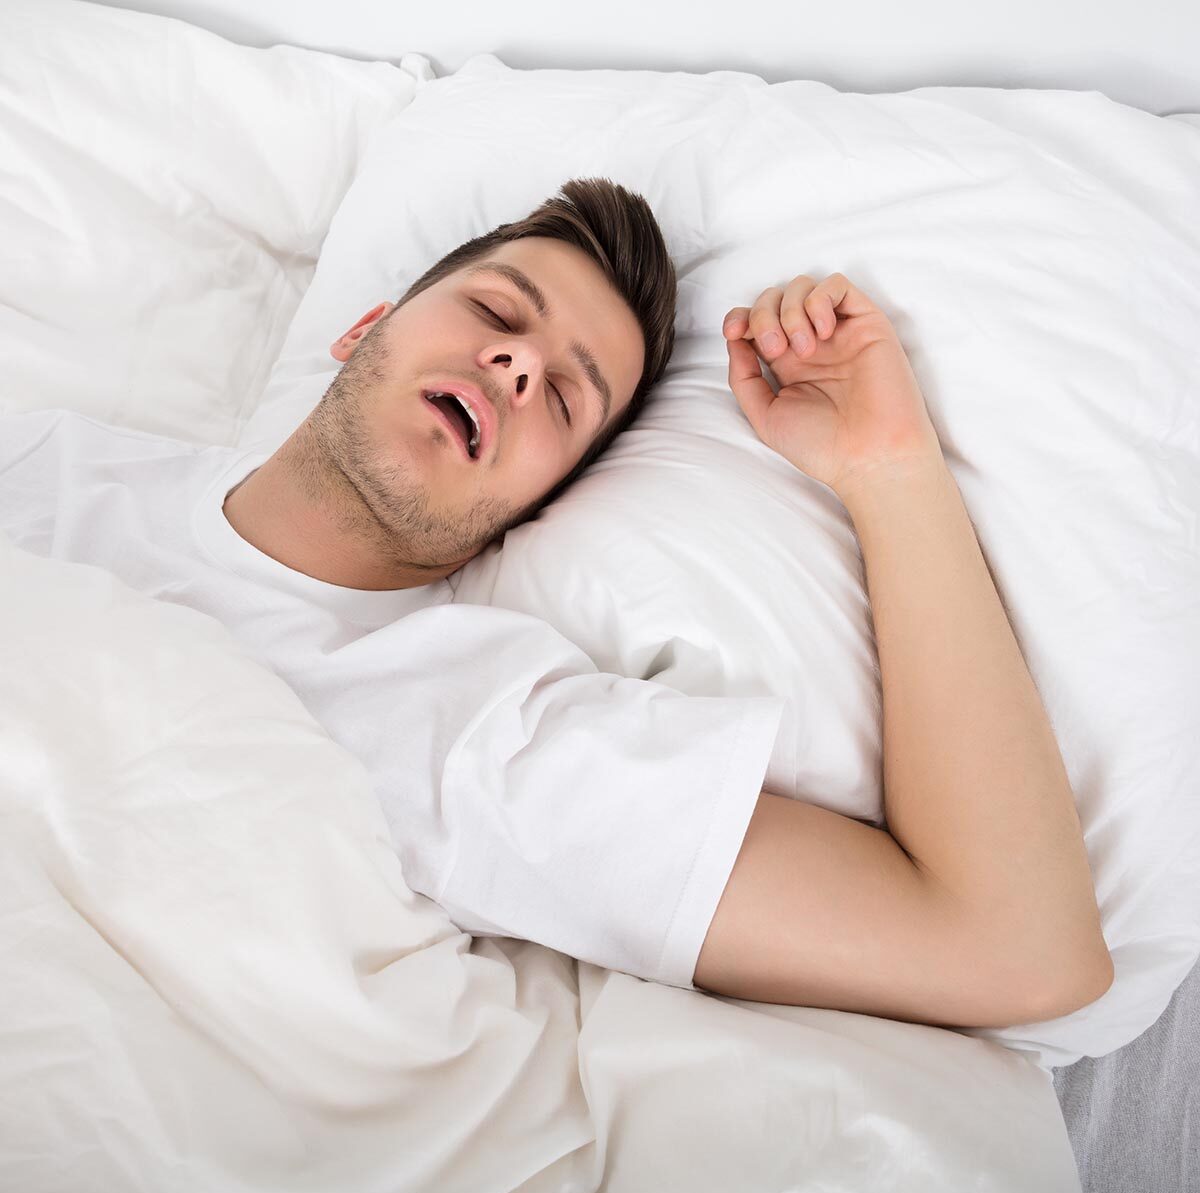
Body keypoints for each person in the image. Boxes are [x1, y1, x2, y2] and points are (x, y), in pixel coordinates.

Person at [0, 176, 1112, 1029]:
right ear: (362, 329)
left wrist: (890, 468)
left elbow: (1015, 947)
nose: (518, 364)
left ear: (538, 501)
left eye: (567, 396)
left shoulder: (482, 733)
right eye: (497, 308)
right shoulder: (47, 466)